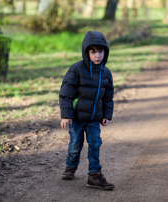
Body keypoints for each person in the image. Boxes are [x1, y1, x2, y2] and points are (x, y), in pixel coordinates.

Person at [59, 31, 114, 190]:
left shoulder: (106, 72)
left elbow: (108, 97)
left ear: (106, 52)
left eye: (101, 51)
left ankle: (94, 175)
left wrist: (106, 115)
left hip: (94, 119)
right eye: (93, 52)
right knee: (75, 144)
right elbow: (66, 94)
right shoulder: (76, 69)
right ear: (86, 52)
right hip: (76, 118)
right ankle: (70, 167)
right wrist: (66, 115)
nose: (98, 55)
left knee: (95, 144)